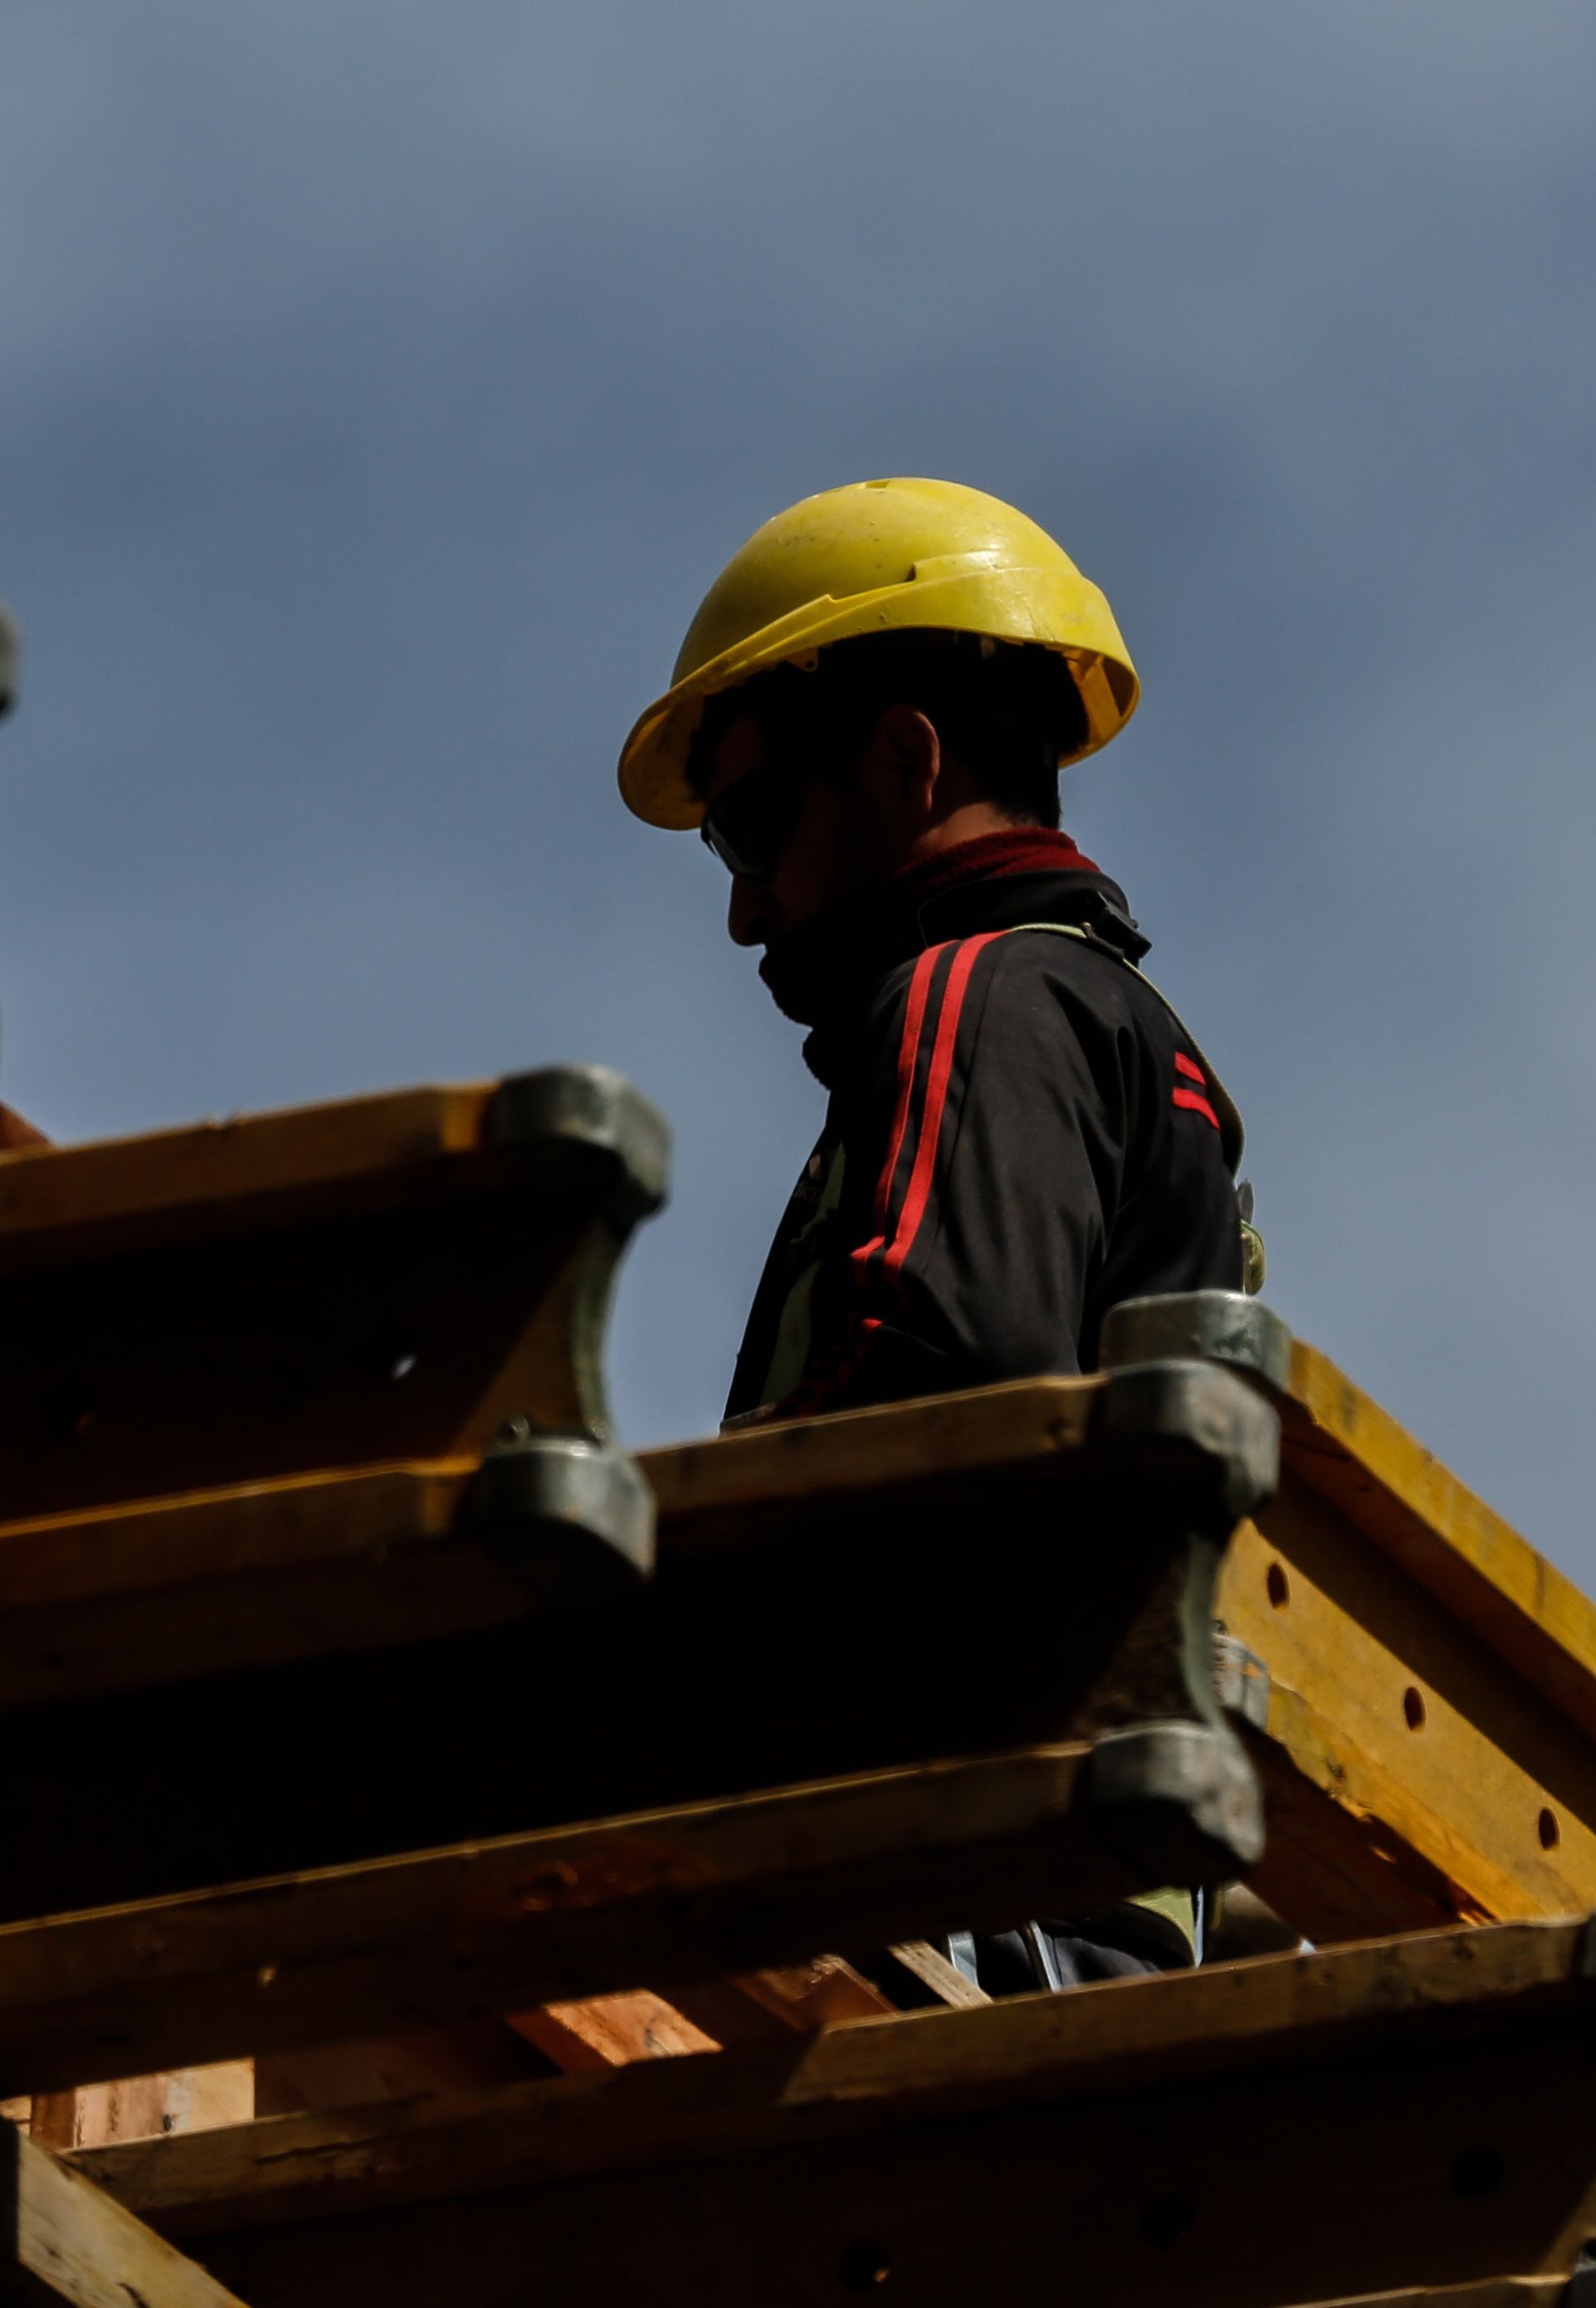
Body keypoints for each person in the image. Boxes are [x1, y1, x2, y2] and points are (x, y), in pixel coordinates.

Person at [619, 476, 1259, 1988]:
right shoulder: (1141, 1049)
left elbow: (937, 1375)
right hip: (1085, 1892)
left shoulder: (986, 995)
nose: (745, 908)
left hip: (955, 1875)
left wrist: (630, 1624)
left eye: (753, 824)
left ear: (907, 761)